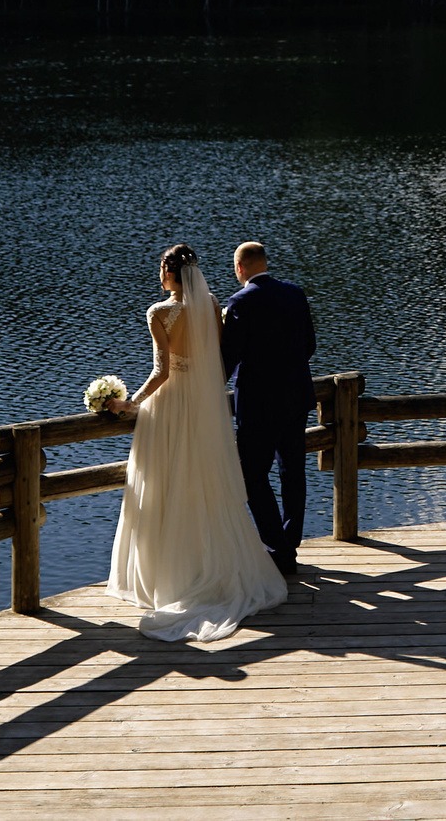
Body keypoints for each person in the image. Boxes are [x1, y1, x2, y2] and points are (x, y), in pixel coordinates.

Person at [102, 244, 287, 641]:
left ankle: (165, 577)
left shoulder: (159, 313)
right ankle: (204, 567)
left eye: (160, 268)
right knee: (202, 483)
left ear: (170, 272)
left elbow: (161, 371)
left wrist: (129, 403)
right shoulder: (211, 304)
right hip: (202, 407)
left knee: (162, 486)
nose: (159, 274)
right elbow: (215, 360)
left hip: (168, 409)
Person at [218, 239, 315, 573]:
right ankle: (290, 539)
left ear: (240, 268)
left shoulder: (241, 301)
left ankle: (277, 547)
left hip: (259, 404)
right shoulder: (295, 293)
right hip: (296, 397)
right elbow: (309, 345)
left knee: (252, 475)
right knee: (293, 470)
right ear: (264, 262)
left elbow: (228, 358)